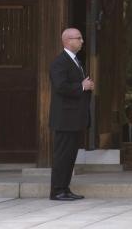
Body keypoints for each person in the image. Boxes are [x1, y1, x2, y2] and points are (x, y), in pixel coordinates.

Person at [49, 28, 94, 202]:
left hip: (74, 118)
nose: (82, 41)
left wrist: (86, 86)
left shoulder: (76, 61)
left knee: (69, 156)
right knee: (62, 155)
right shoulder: (60, 62)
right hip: (64, 118)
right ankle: (57, 190)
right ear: (67, 40)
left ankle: (65, 188)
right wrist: (82, 86)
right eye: (79, 38)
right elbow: (60, 86)